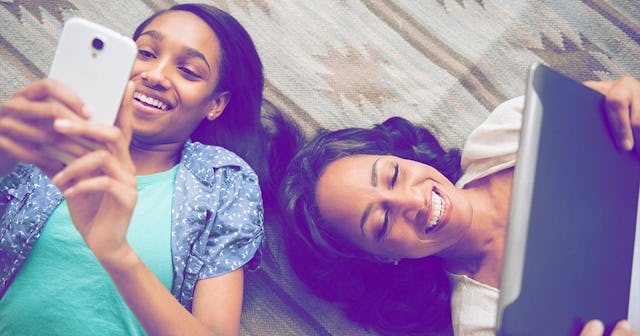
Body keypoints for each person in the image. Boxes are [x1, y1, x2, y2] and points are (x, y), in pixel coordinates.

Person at [0, 3, 298, 335]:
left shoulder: (223, 183)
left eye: (188, 71)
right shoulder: (48, 133)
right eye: (145, 53)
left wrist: (117, 253)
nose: (155, 76)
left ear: (216, 104)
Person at [279, 75, 640, 335]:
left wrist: (628, 100)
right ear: (381, 258)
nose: (414, 200)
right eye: (381, 223)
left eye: (392, 175)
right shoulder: (484, 324)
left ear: (399, 154)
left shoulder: (508, 132)